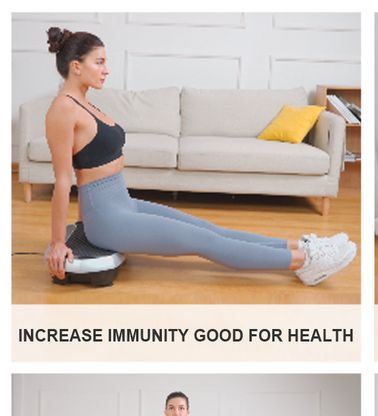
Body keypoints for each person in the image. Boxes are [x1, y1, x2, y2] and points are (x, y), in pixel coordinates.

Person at [44, 27, 356, 286]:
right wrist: (59, 242)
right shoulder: (63, 109)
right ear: (76, 66)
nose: (106, 69)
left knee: (211, 230)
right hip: (108, 220)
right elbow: (61, 181)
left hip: (121, 203)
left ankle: (301, 246)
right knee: (204, 242)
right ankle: (305, 263)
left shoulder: (86, 102)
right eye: (99, 62)